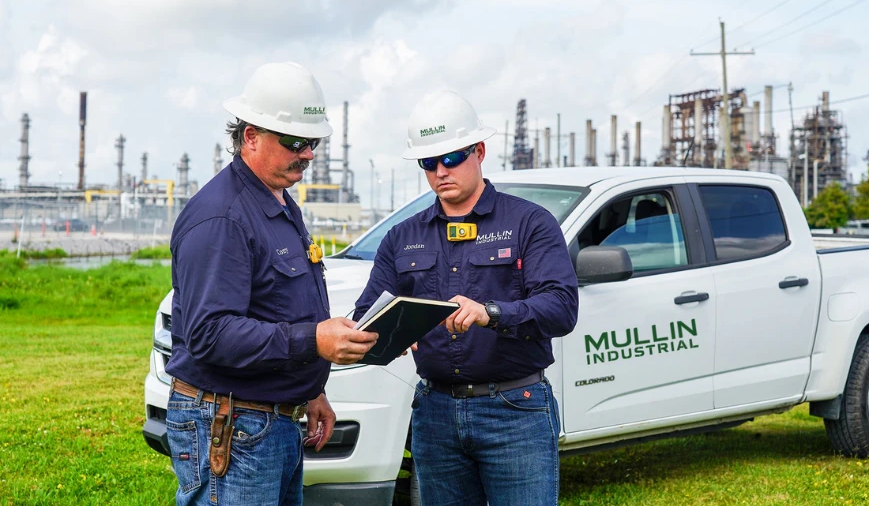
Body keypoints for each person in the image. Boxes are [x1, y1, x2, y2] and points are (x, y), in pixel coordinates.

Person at [165, 62, 378, 506]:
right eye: (295, 142)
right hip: (232, 424)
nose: (308, 154)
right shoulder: (223, 217)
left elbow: (278, 306)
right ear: (251, 136)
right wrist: (314, 341)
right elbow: (210, 334)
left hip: (269, 422)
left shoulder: (278, 202)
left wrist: (312, 390)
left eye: (313, 142)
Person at [354, 90, 579, 505]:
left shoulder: (529, 223)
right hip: (435, 413)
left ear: (479, 151)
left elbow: (561, 308)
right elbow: (367, 312)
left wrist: (490, 313)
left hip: (515, 410)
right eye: (428, 163)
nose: (441, 171)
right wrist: (388, 332)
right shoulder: (402, 237)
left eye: (452, 157)